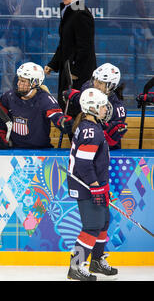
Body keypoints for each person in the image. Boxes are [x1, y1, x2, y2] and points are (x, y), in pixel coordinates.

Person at [66, 87, 118, 281]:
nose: (106, 109)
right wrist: (96, 186)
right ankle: (75, 266)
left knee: (104, 221)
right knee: (92, 226)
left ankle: (96, 260)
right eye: (103, 106)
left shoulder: (92, 127)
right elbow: (83, 163)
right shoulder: (91, 131)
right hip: (86, 185)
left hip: (93, 183)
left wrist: (102, 186)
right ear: (93, 108)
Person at [0, 62, 73, 149]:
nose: (18, 84)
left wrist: (63, 122)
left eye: (23, 81)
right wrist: (0, 133)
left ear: (34, 83)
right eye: (19, 79)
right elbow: (0, 116)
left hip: (40, 152)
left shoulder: (45, 99)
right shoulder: (8, 97)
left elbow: (56, 115)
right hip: (14, 149)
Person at [44, 0, 96, 113]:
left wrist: (76, 71)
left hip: (78, 73)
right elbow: (64, 44)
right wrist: (53, 64)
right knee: (67, 108)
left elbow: (85, 48)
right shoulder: (69, 12)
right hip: (68, 68)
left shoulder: (81, 13)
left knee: (75, 110)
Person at [63, 63, 127, 149]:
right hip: (84, 143)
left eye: (100, 82)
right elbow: (84, 102)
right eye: (95, 80)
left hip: (106, 151)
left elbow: (109, 138)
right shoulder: (88, 87)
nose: (95, 84)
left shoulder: (117, 109)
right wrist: (73, 96)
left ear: (111, 86)